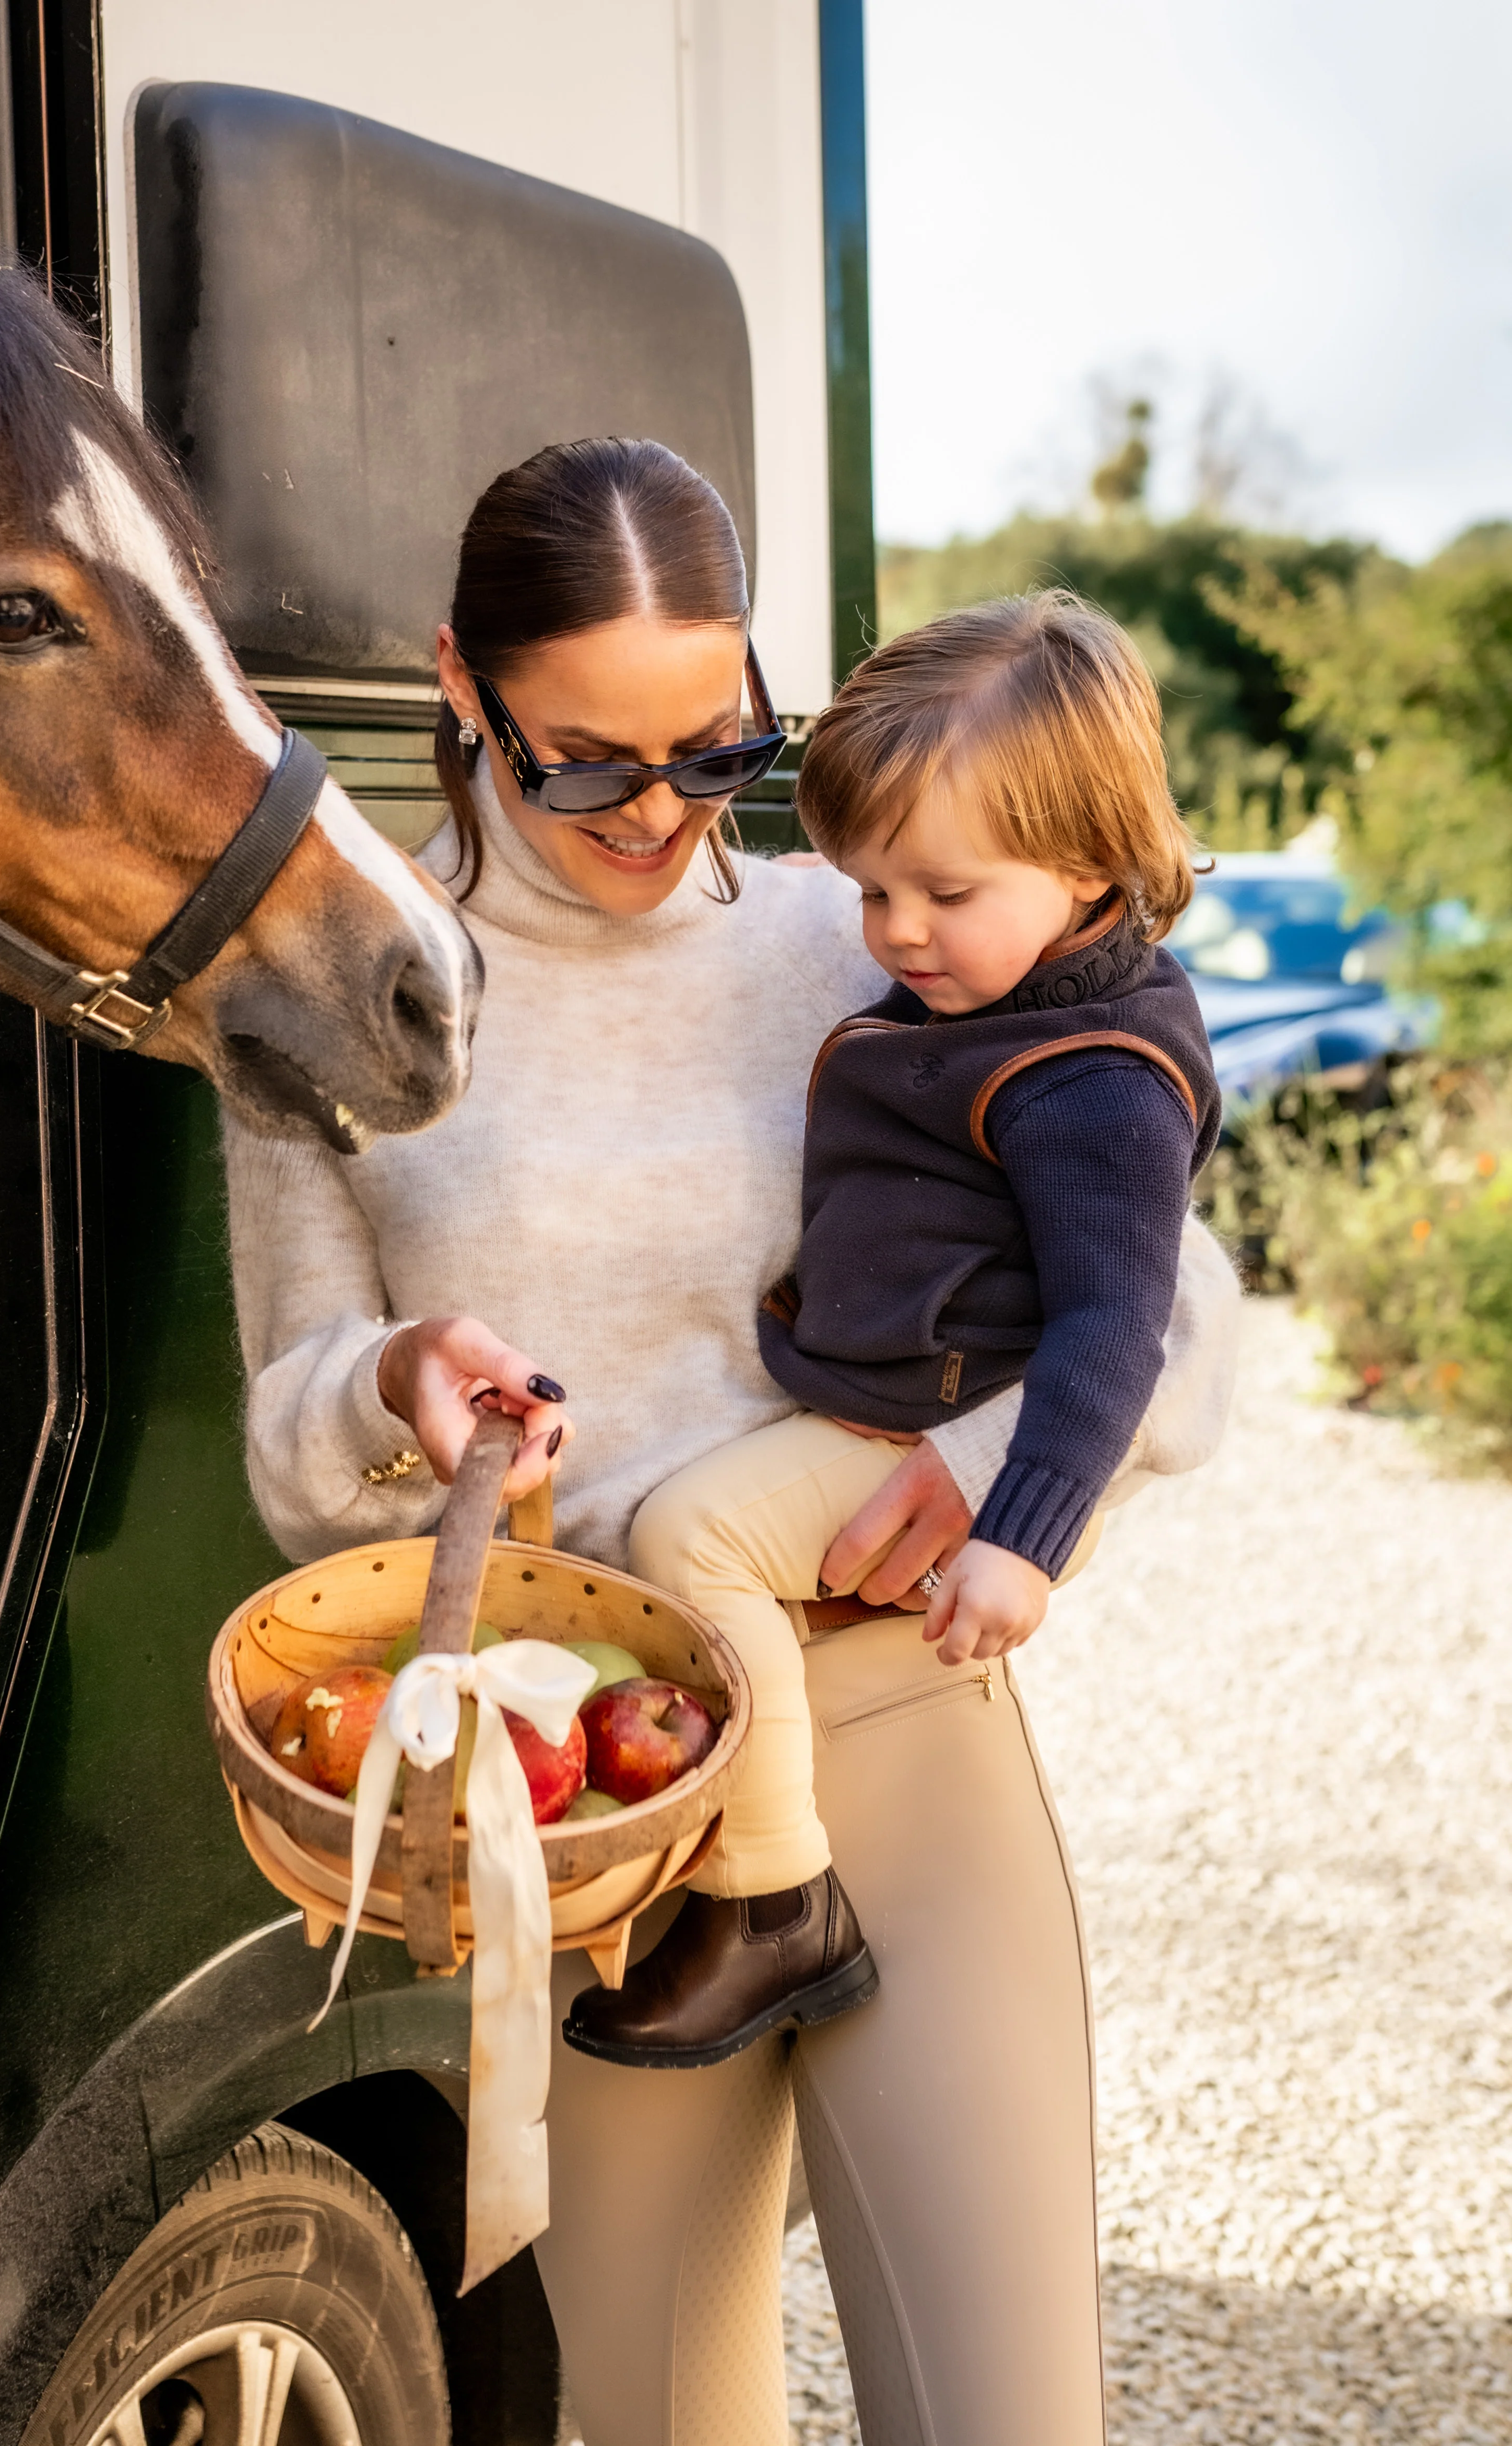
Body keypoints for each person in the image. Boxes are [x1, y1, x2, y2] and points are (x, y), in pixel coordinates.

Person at [227, 438, 1239, 2446]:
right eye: (589, 760)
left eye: (717, 742)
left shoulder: (855, 932)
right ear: (462, 684)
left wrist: (999, 1467)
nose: (665, 809)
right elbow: (290, 1428)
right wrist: (390, 1381)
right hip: (604, 1814)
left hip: (899, 1726)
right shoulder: (344, 993)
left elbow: (1182, 1314)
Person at [562, 595, 1224, 2073]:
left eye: (942, 891)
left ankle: (774, 1898)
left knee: (695, 1541)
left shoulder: (1096, 1082)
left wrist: (1020, 1532)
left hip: (920, 1422)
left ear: (1091, 864)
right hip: (876, 1386)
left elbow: (1123, 1322)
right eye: (872, 894)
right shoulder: (1006, 976)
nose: (900, 933)